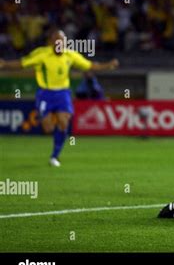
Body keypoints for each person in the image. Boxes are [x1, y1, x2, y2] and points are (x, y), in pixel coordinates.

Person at [0, 29, 119, 167]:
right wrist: (4, 64)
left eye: (62, 40)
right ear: (51, 42)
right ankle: (50, 120)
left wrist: (108, 65)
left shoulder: (70, 55)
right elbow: (22, 63)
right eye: (57, 40)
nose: (60, 43)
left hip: (63, 93)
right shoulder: (42, 54)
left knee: (64, 123)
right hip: (45, 93)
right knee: (48, 128)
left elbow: (90, 65)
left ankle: (54, 156)